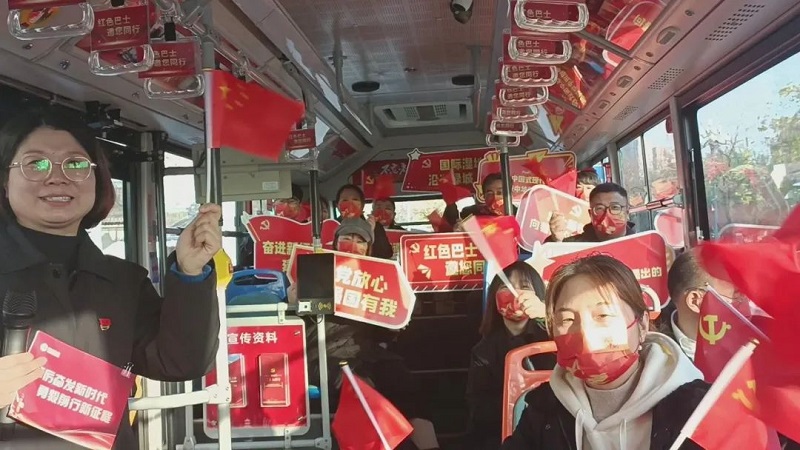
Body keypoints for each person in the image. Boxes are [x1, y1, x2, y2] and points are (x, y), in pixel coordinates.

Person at [0, 109, 221, 450]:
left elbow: (181, 362)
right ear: (5, 181)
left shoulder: (123, 281)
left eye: (75, 164)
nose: (57, 177)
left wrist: (190, 272)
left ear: (97, 179)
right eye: (36, 164)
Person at [502, 255, 707, 450]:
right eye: (567, 320)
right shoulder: (544, 407)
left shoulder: (696, 408)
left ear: (642, 325)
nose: (585, 333)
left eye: (603, 315)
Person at [290, 218, 439, 450]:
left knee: (405, 382)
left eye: (360, 241)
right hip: (325, 354)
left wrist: (393, 325)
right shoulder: (315, 270)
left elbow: (384, 333)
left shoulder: (377, 280)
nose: (353, 244)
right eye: (347, 238)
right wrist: (296, 298)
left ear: (368, 248)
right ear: (335, 242)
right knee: (362, 386)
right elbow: (296, 311)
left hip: (367, 353)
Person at [466, 262, 553, 450]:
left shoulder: (553, 338)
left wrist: (547, 317)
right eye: (506, 287)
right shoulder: (483, 351)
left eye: (524, 287)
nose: (516, 293)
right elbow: (479, 409)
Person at [661, 249, 739, 361]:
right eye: (736, 298)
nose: (747, 307)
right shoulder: (653, 358)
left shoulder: (753, 347)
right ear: (695, 301)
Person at [547, 182, 636, 243]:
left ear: (627, 213)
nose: (607, 215)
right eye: (599, 208)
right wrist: (556, 241)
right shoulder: (573, 246)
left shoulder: (641, 246)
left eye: (615, 207)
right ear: (590, 214)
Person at [335, 184, 393, 259]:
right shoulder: (331, 226)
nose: (350, 203)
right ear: (337, 205)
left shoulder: (376, 227)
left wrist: (371, 234)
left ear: (362, 205)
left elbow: (386, 254)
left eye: (355, 199)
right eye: (345, 200)